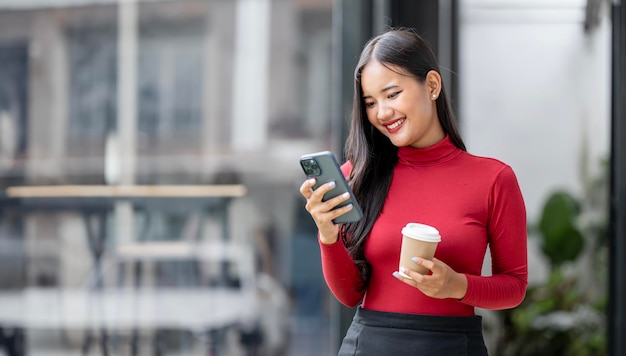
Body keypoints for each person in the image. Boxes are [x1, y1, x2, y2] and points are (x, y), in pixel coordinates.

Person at [299, 28, 527, 355]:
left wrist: (455, 285)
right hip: (369, 345)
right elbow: (350, 295)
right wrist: (327, 235)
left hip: (452, 345)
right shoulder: (357, 176)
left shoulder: (493, 179)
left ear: (432, 85)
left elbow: (514, 287)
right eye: (370, 102)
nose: (382, 112)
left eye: (392, 94)